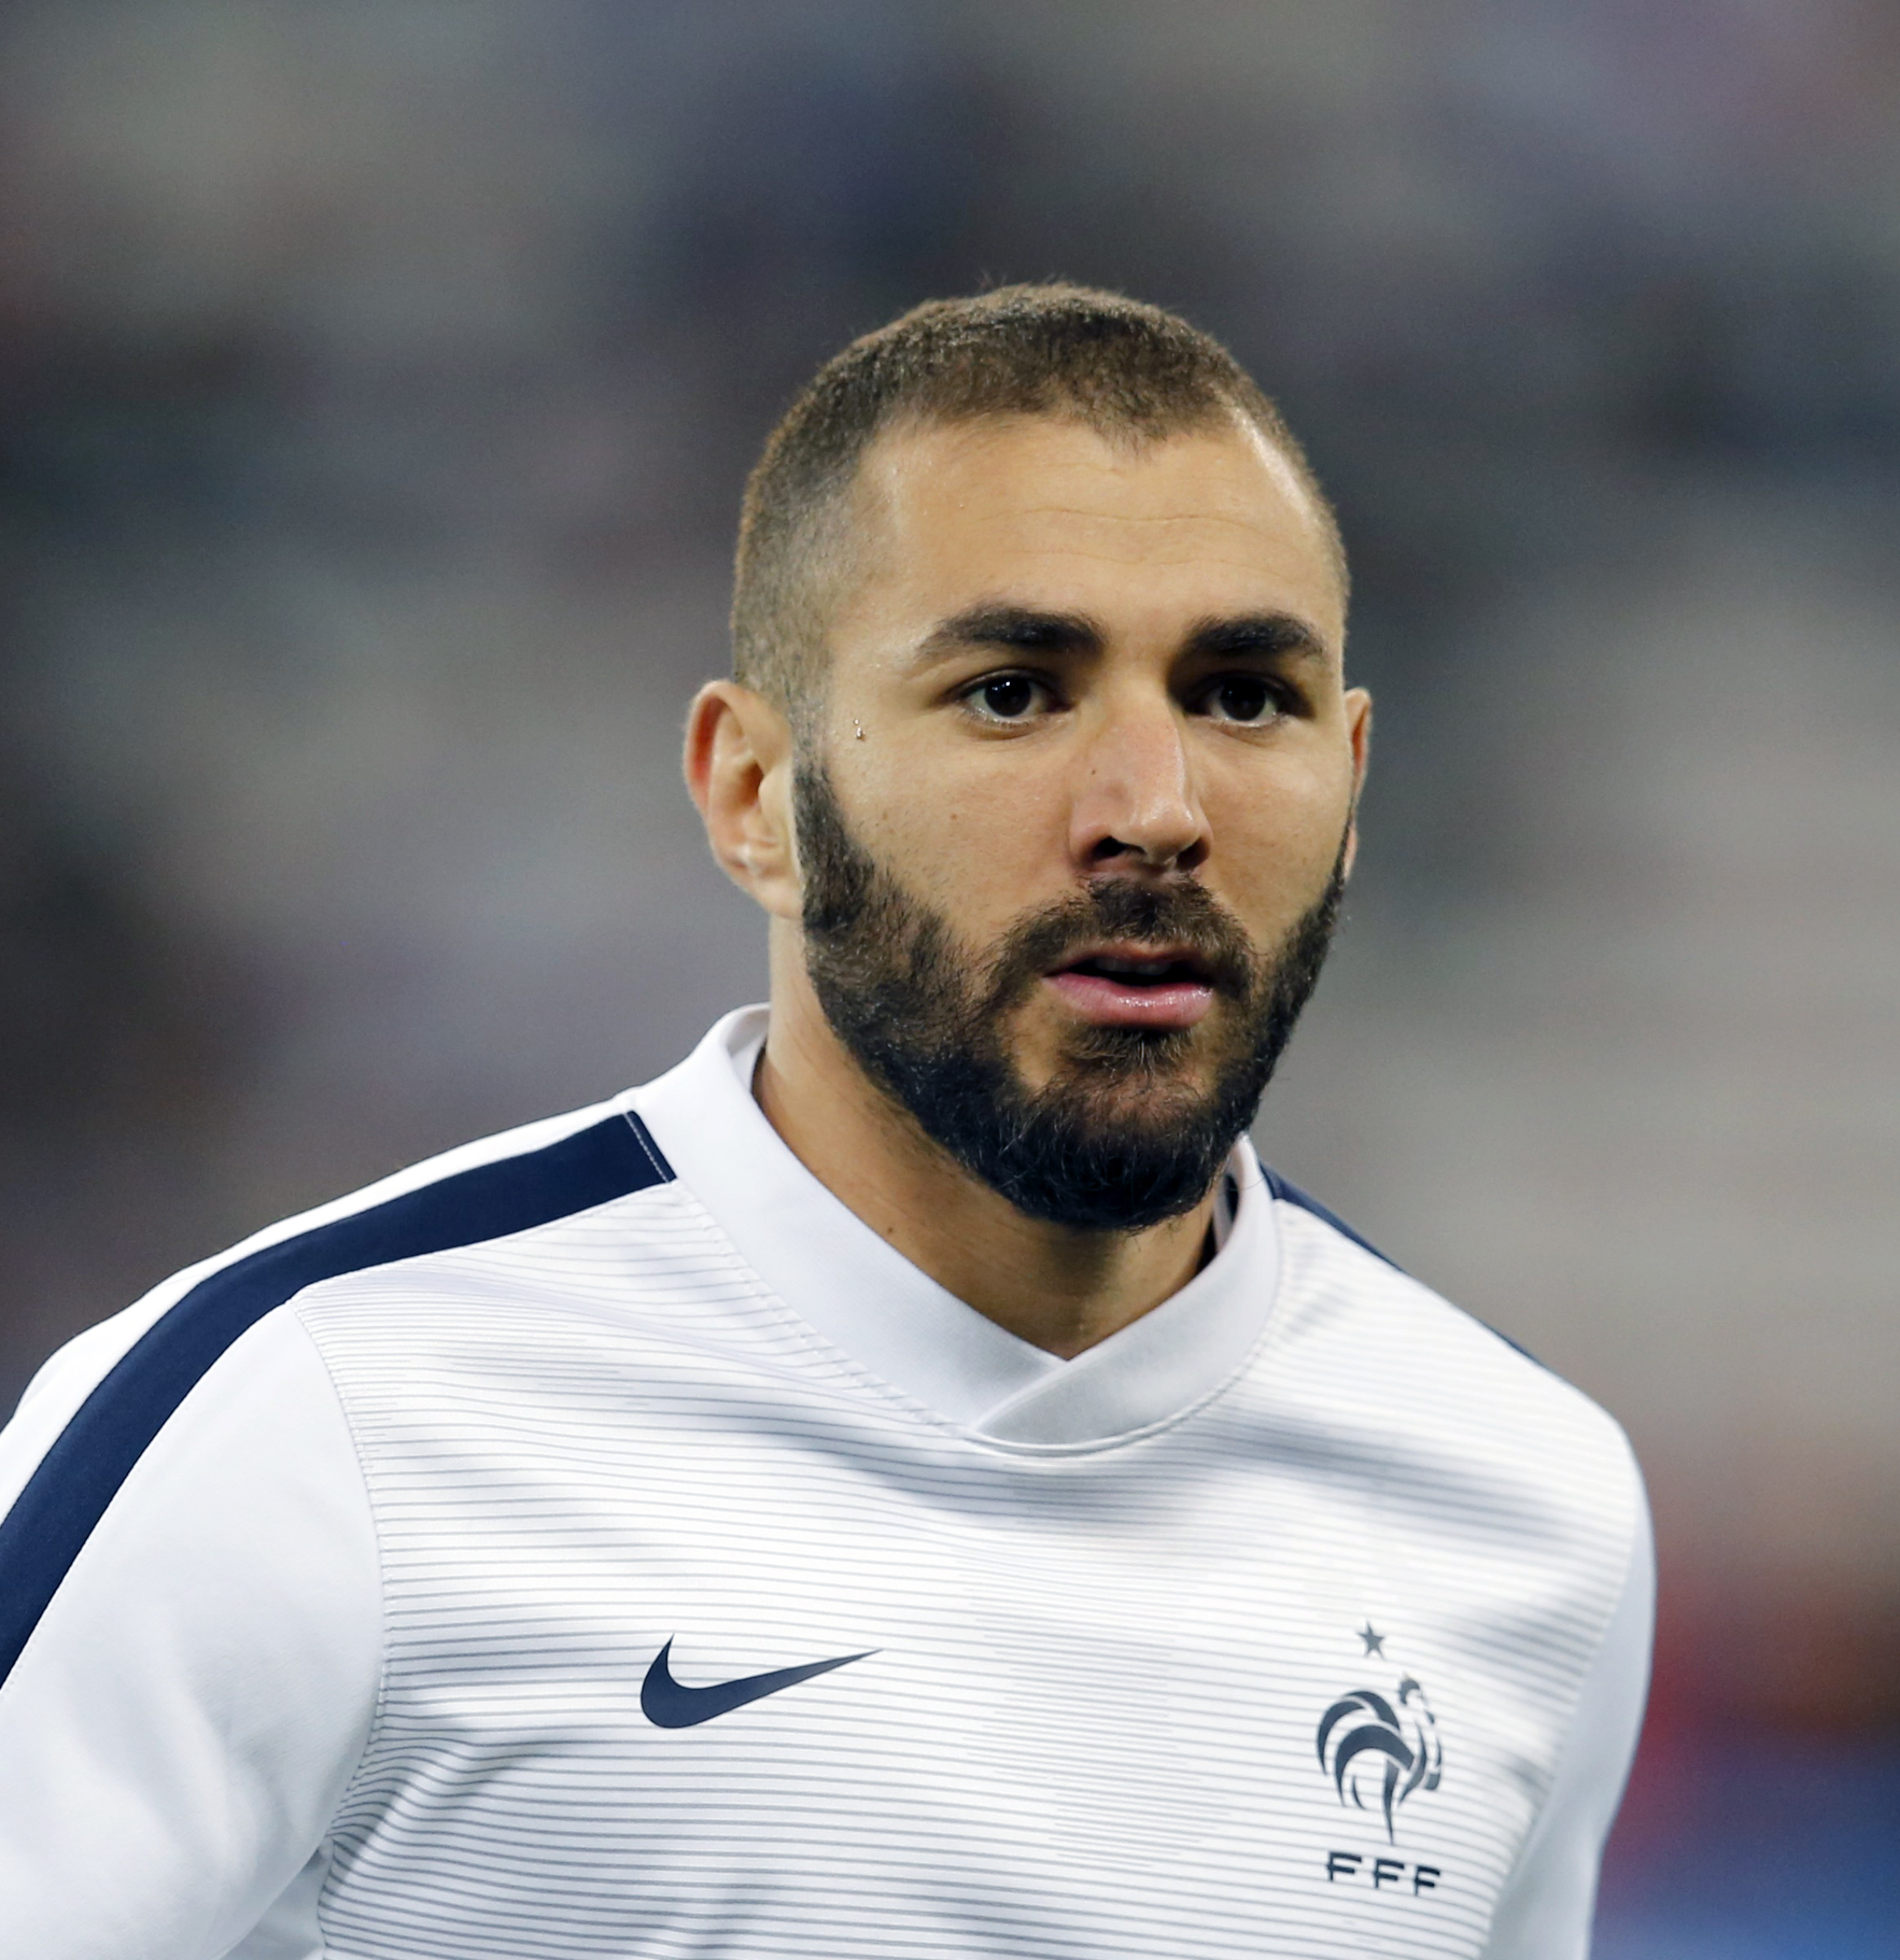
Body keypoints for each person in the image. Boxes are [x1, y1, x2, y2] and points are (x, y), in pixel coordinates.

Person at [0, 284, 1651, 1958]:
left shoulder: (1525, 1507)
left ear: (1353, 782)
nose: (1156, 809)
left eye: (1241, 696)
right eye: (1013, 691)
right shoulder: (311, 1420)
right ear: (754, 798)